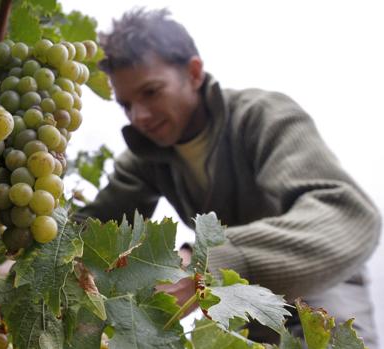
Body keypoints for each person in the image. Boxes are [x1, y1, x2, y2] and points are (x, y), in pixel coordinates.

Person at [77, 8, 381, 346]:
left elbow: (345, 214)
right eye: (126, 105)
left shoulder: (263, 116)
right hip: (239, 304)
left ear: (193, 73)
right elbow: (88, 231)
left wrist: (205, 265)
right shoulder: (145, 155)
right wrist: (21, 259)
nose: (140, 116)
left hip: (320, 290)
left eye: (151, 92)